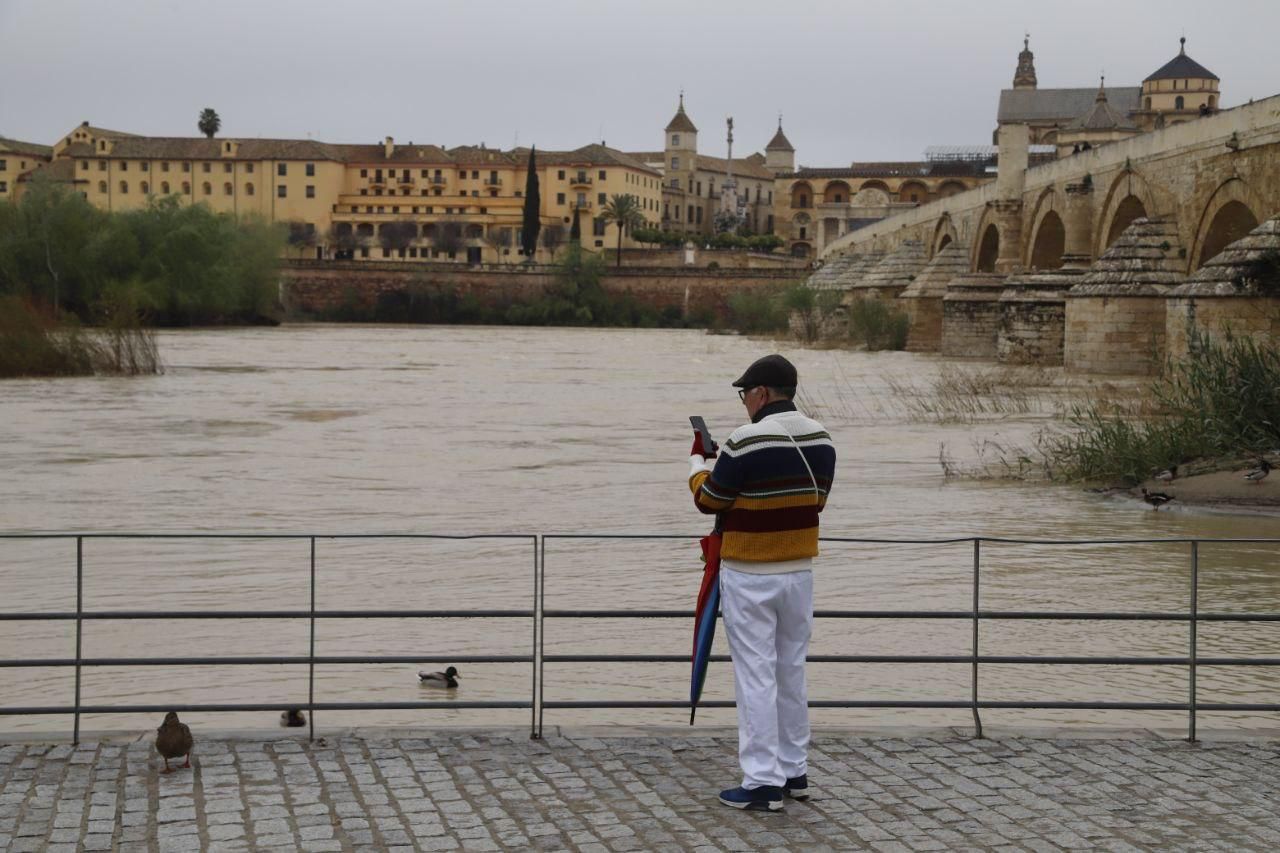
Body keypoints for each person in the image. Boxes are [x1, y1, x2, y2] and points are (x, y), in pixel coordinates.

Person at [686, 354, 836, 812]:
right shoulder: (822, 437)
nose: (744, 401)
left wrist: (696, 464)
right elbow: (818, 500)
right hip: (799, 571)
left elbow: (710, 501)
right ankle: (795, 772)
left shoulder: (742, 440)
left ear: (762, 393)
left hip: (750, 574)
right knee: (791, 671)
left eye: (745, 393)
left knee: (755, 676)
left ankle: (761, 782)